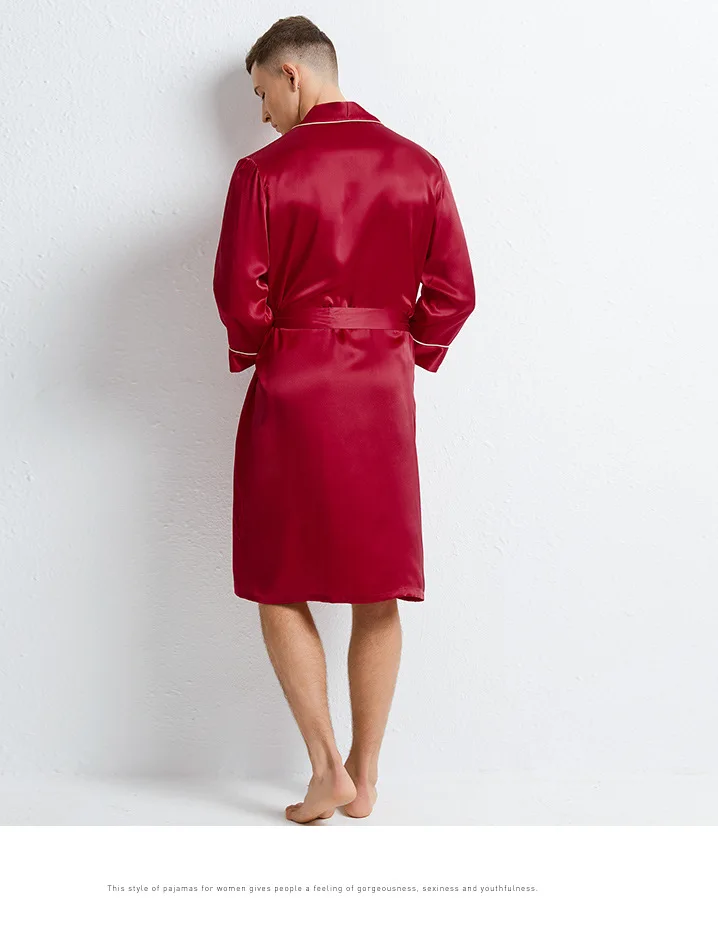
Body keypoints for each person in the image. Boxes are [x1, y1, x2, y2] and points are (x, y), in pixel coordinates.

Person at [212, 16, 476, 824]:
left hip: (294, 387)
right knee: (378, 582)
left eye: (262, 93)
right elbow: (456, 292)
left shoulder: (262, 173)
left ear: (291, 73)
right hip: (381, 395)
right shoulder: (419, 166)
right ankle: (365, 772)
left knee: (275, 577)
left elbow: (239, 297)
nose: (262, 113)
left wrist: (273, 346)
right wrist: (400, 347)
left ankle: (325, 767)